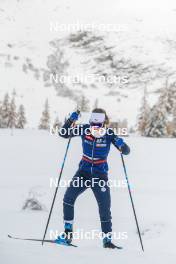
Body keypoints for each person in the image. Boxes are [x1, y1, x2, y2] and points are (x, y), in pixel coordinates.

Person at [55, 108, 130, 248]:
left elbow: (127, 151)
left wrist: (122, 145)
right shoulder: (84, 129)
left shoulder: (108, 134)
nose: (95, 126)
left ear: (104, 122)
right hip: (83, 173)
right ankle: (67, 235)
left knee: (104, 208)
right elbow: (63, 134)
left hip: (100, 175)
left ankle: (107, 241)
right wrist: (71, 120)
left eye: (99, 123)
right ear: (90, 120)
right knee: (68, 198)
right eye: (93, 122)